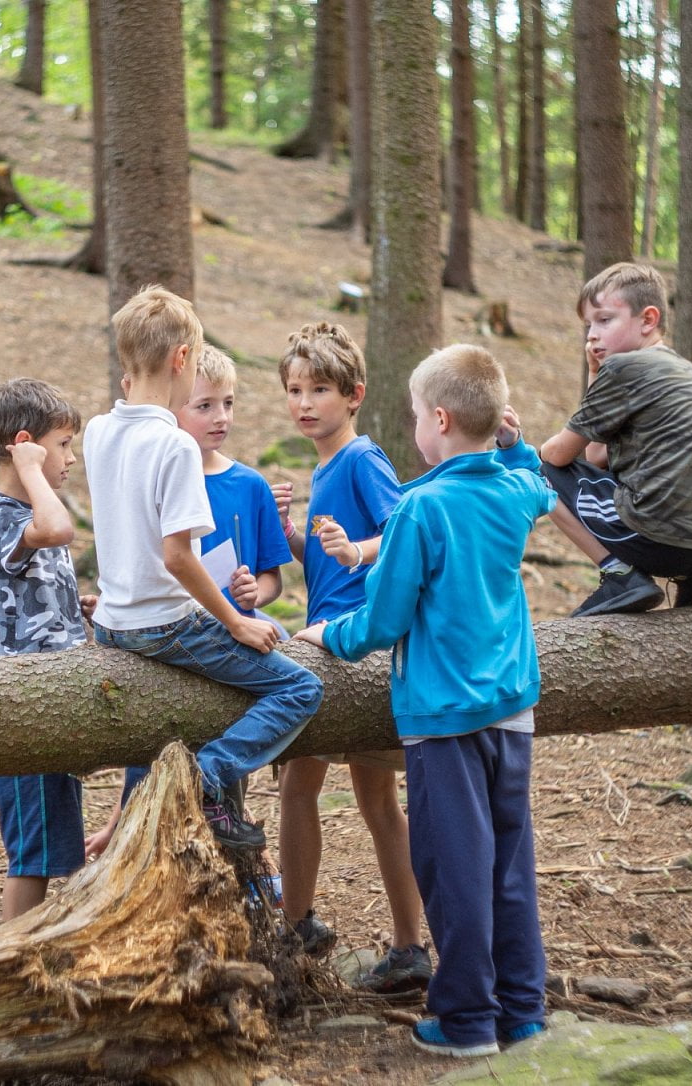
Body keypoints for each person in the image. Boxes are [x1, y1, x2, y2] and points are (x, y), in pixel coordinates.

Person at [296, 344, 555, 1057]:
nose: (412, 425)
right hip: (512, 711)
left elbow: (383, 620)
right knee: (509, 862)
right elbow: (539, 476)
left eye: (415, 415)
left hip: (443, 719)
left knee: (453, 867)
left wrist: (328, 634)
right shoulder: (513, 491)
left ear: (439, 420)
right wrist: (516, 440)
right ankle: (523, 1010)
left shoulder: (420, 507)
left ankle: (468, 1017)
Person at [84, 286, 322, 852]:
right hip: (163, 622)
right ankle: (205, 778)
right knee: (302, 688)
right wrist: (236, 623)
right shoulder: (174, 447)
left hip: (112, 621)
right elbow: (176, 556)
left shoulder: (98, 431)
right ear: (182, 360)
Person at [271, 321, 431, 992]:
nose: (304, 403)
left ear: (354, 394)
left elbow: (402, 533)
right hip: (329, 640)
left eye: (320, 391)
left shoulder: (362, 459)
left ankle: (347, 935)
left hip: (353, 651)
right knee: (344, 794)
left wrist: (357, 552)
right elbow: (333, 566)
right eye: (294, 390)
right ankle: (383, 942)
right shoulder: (325, 465)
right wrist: (294, 539)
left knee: (332, 792)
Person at [539, 262, 692, 616]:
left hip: (659, 540)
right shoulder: (687, 371)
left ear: (648, 320)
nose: (591, 335)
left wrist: (535, 449)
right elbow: (597, 457)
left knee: (536, 471)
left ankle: (620, 576)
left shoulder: (626, 368)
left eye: (604, 320)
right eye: (588, 325)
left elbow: (558, 456)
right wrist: (594, 375)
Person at [0, 378, 99, 921]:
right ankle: (9, 958)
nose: (70, 457)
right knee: (31, 856)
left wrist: (78, 608)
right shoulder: (3, 513)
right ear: (26, 444)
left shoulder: (28, 515)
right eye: (63, 443)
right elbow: (56, 528)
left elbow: (33, 592)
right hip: (23, 706)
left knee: (61, 849)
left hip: (54, 703)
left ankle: (53, 952)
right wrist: (29, 468)